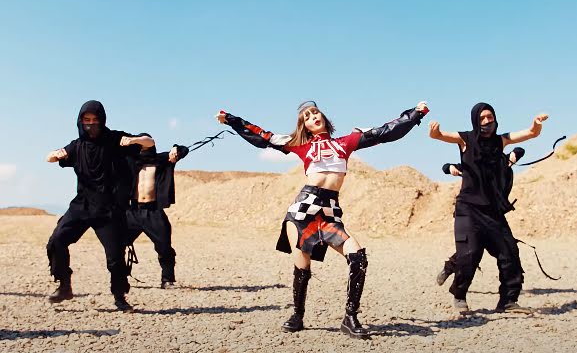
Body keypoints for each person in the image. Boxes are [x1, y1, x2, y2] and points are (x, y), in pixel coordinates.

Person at [216, 100, 429, 339]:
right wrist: (231, 119)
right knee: (302, 265)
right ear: (304, 126)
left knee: (358, 257)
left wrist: (415, 114)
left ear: (324, 117)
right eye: (307, 117)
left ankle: (350, 318)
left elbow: (385, 132)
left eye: (315, 113)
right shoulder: (298, 144)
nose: (312, 117)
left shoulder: (346, 143)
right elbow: (263, 136)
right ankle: (297, 315)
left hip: (329, 212)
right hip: (303, 211)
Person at [429, 102, 548, 314]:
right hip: (468, 208)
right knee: (469, 254)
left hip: (493, 211)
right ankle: (459, 295)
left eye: (489, 117)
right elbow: (439, 136)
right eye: (482, 118)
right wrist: (435, 131)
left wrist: (536, 124)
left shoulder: (501, 141)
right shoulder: (465, 139)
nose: (486, 121)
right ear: (475, 120)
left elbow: (531, 133)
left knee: (509, 252)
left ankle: (508, 301)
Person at [46, 100, 154, 311]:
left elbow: (149, 142)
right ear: (80, 121)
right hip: (82, 205)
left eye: (95, 120)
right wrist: (56, 155)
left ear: (102, 120)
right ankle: (64, 285)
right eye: (86, 120)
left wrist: (134, 140)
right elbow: (49, 157)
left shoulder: (114, 139)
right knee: (57, 240)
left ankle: (119, 296)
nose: (91, 124)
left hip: (108, 209)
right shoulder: (77, 145)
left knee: (115, 256)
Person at [436, 147, 525, 286]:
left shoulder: (503, 162)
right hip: (473, 215)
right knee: (471, 251)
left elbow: (520, 150)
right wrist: (451, 168)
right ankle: (448, 269)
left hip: (494, 217)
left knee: (509, 249)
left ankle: (513, 285)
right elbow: (445, 167)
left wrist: (513, 155)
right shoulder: (474, 166)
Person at [124, 138, 189, 288]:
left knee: (164, 246)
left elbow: (184, 150)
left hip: (153, 211)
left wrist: (175, 148)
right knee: (117, 243)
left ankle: (167, 279)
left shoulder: (161, 160)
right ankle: (121, 276)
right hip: (133, 210)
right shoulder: (131, 161)